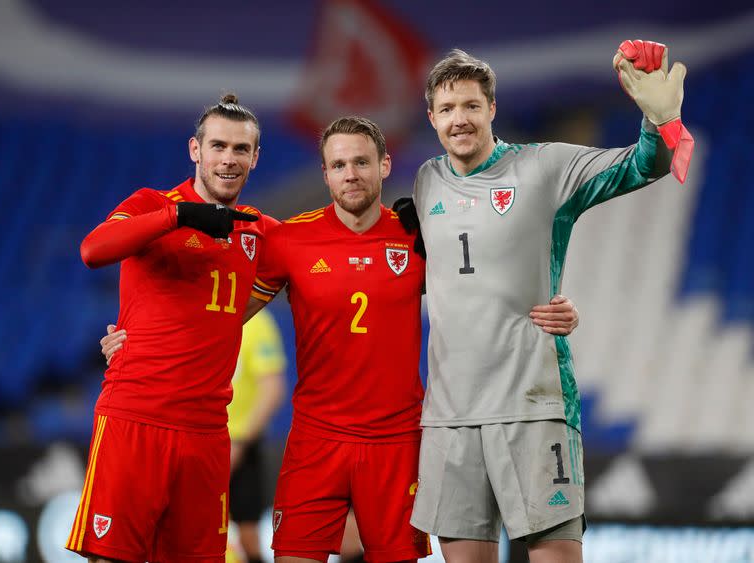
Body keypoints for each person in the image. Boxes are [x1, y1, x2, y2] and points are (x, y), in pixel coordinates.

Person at [100, 117, 580, 562]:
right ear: (325, 174)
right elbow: (219, 315)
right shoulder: (288, 240)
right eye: (338, 164)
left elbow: (488, 291)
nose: (350, 174)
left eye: (361, 162)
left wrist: (553, 307)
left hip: (396, 442)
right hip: (315, 440)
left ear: (384, 166)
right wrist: (136, 339)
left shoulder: (421, 238)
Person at [400, 42, 691, 563]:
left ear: (492, 109)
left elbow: (642, 166)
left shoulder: (544, 168)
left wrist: (657, 121)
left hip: (533, 407)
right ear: (432, 117)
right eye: (447, 109)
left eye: (470, 106)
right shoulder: (425, 182)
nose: (459, 119)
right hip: (451, 418)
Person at [68, 94, 279, 563]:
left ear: (255, 157)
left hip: (207, 434)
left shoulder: (260, 231)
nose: (228, 159)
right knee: (112, 556)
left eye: (240, 149)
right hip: (136, 418)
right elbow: (92, 250)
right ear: (195, 150)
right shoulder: (152, 204)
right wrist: (178, 216)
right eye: (218, 146)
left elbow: (325, 261)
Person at [227, 308, 287, 563]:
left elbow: (272, 388)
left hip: (238, 445)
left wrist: (240, 441)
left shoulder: (255, 322)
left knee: (246, 535)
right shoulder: (193, 312)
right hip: (194, 443)